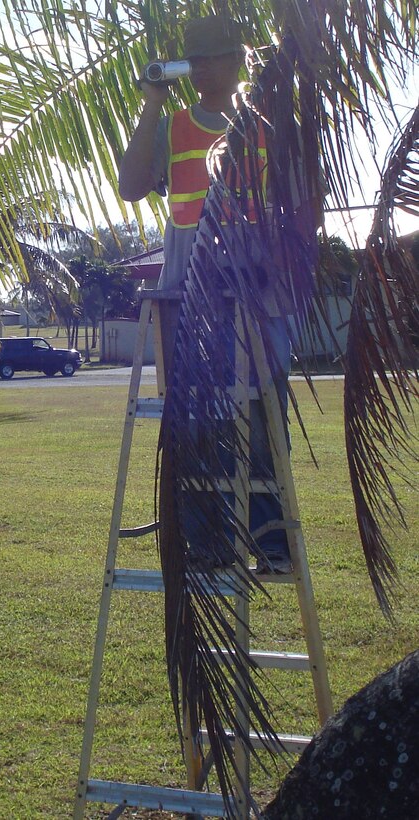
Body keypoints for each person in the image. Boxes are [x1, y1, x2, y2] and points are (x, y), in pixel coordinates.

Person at [119, 15, 320, 573]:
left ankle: (271, 544)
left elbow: (306, 207)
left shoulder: (268, 127)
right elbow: (132, 186)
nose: (207, 70)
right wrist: (152, 104)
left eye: (216, 58)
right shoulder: (174, 125)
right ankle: (207, 547)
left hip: (259, 300)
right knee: (199, 421)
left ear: (239, 62)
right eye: (197, 60)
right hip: (193, 300)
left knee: (262, 420)